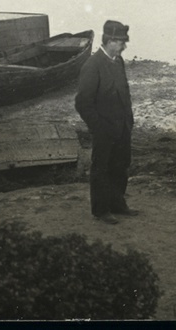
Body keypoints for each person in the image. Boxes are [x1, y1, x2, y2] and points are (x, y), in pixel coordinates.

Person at [75, 20, 136, 225]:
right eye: (120, 42)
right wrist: (98, 128)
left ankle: (117, 204)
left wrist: (129, 119)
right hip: (104, 129)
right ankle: (101, 210)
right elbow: (83, 103)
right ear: (109, 41)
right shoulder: (92, 65)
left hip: (122, 127)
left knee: (121, 166)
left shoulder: (117, 61)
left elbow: (124, 92)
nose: (124, 46)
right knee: (102, 169)